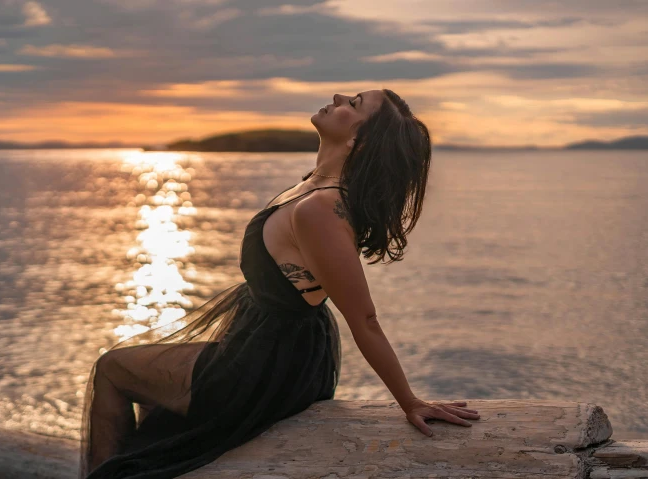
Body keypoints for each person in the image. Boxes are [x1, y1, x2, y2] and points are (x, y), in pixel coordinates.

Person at [78, 89, 480, 478]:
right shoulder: (314, 188)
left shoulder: (321, 208)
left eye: (354, 103)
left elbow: (365, 318)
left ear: (359, 139)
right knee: (157, 409)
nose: (339, 96)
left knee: (112, 368)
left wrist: (409, 401)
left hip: (268, 365)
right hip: (267, 346)